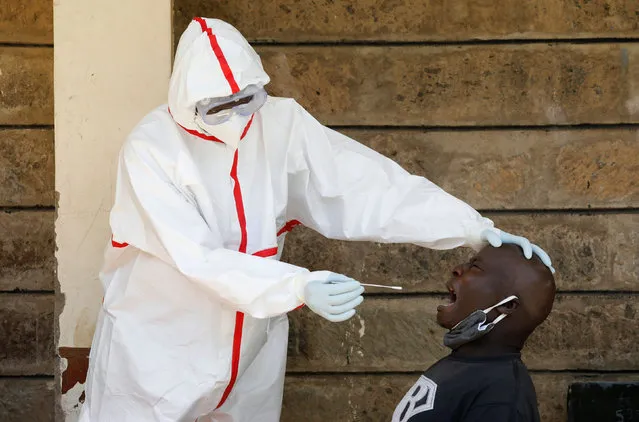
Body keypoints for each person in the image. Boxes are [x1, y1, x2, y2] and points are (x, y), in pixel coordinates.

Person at [79, 17, 554, 422]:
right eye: (219, 107)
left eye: (247, 99)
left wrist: (471, 227)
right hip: (161, 344)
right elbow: (196, 257)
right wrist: (297, 287)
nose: (238, 117)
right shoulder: (152, 150)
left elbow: (361, 184)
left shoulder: (280, 126)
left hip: (251, 346)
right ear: (188, 100)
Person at [392, 244, 556, 422]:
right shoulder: (463, 364)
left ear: (507, 305)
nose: (457, 269)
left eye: (475, 267)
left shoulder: (501, 399)